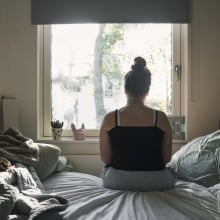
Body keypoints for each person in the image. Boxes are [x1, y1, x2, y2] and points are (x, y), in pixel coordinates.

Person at [99, 56, 174, 191]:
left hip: (118, 181)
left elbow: (106, 159)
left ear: (125, 90)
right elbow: (166, 159)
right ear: (147, 91)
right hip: (157, 181)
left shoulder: (110, 118)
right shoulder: (161, 118)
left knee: (104, 172)